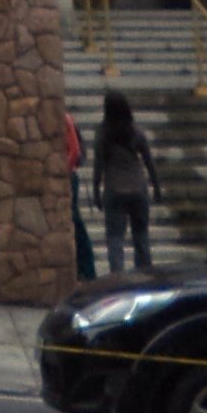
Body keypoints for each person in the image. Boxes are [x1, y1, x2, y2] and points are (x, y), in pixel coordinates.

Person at [92, 88, 162, 274]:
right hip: (138, 188)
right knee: (141, 237)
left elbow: (98, 165)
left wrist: (95, 191)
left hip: (114, 189)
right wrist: (156, 187)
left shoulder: (103, 134)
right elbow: (148, 162)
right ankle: (146, 276)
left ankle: (118, 280)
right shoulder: (136, 132)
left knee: (115, 240)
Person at [65, 111, 96, 280]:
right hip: (63, 177)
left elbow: (75, 151)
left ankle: (86, 266)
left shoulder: (65, 120)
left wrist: (64, 170)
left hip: (68, 177)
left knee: (74, 220)